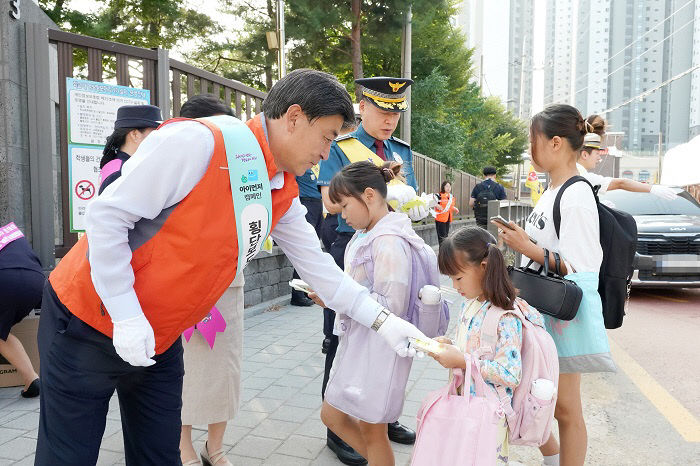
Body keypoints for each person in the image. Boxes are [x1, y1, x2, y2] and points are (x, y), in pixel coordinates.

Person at [35, 69, 428, 465]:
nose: (327, 154)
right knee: (68, 455)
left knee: (158, 455)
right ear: (293, 117)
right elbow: (106, 218)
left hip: (161, 334)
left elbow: (321, 271)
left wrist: (384, 322)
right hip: (87, 319)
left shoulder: (281, 189)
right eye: (326, 137)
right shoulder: (199, 142)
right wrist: (126, 314)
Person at [498, 104, 617, 466]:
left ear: (553, 143)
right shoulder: (553, 189)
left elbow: (581, 267)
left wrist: (527, 247)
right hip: (540, 314)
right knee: (538, 398)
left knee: (565, 408)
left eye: (531, 140)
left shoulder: (576, 193)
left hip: (559, 318)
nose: (529, 148)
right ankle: (552, 457)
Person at [317, 76, 423, 465]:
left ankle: (384, 415)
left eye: (396, 111)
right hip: (351, 245)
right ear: (364, 107)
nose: (390, 119)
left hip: (390, 245)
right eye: (382, 110)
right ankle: (338, 426)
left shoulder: (400, 150)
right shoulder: (341, 145)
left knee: (390, 333)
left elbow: (403, 204)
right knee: (343, 330)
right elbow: (330, 202)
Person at [317, 161, 440, 466]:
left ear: (369, 195)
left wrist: (337, 298)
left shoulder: (387, 241)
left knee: (369, 430)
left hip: (380, 350)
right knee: (342, 418)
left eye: (345, 205)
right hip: (367, 346)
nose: (342, 215)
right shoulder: (372, 233)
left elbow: (390, 305)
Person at [429, 226, 545, 464]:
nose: (455, 285)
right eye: (451, 279)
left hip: (489, 418)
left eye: (458, 278)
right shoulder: (470, 304)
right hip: (466, 408)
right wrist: (450, 346)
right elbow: (472, 349)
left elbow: (510, 374)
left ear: (483, 268)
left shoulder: (505, 316)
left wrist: (462, 360)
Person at [176, 94, 240, 466]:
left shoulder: (240, 167)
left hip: (228, 282)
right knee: (185, 370)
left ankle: (214, 446)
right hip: (183, 283)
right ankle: (182, 444)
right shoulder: (175, 166)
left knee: (225, 371)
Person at [0, 222, 45, 398]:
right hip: (36, 281)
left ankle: (32, 377)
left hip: (5, 278)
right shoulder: (8, 232)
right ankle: (31, 380)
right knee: (2, 332)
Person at [577, 126, 676, 200]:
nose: (599, 158)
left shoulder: (572, 172)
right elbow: (621, 183)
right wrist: (652, 189)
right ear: (585, 155)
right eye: (597, 154)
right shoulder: (583, 177)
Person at [98, 104, 162, 194]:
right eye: (154, 133)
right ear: (135, 134)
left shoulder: (120, 166)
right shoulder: (120, 172)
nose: (158, 138)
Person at [289, 164, 324, 307]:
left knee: (312, 250)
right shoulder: (300, 164)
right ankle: (297, 294)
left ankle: (305, 291)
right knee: (304, 250)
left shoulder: (318, 165)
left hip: (318, 204)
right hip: (305, 203)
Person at [434, 180, 459, 244]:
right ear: (443, 187)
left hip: (448, 219)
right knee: (442, 238)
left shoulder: (451, 196)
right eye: (447, 186)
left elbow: (450, 206)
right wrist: (437, 205)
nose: (448, 188)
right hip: (440, 219)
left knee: (446, 236)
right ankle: (442, 252)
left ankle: (444, 252)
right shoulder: (438, 195)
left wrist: (454, 208)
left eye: (450, 186)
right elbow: (431, 202)